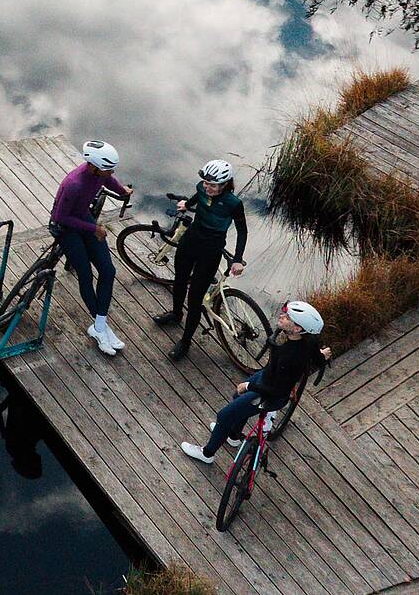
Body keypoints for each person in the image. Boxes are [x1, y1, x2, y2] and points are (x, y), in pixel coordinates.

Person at [180, 301, 330, 463]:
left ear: (297, 329)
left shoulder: (290, 357)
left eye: (287, 317)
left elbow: (276, 391)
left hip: (270, 393)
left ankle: (207, 454)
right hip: (268, 376)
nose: (281, 316)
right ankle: (232, 436)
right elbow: (316, 357)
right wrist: (322, 357)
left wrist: (249, 386)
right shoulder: (308, 340)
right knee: (237, 398)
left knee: (224, 416)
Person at [152, 159, 248, 361]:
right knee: (179, 280)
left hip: (211, 249)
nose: (207, 187)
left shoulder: (233, 203)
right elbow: (198, 195)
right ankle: (176, 314)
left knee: (195, 298)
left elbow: (242, 231)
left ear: (225, 185)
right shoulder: (203, 187)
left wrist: (238, 259)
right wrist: (187, 204)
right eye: (205, 182)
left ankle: (185, 341)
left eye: (212, 185)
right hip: (191, 240)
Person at [51, 140, 133, 355]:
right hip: (66, 227)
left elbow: (109, 181)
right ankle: (102, 328)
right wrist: (93, 228)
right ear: (95, 167)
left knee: (108, 270)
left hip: (83, 219)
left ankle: (99, 327)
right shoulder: (74, 184)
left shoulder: (99, 175)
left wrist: (122, 190)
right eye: (108, 169)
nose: (112, 172)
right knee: (86, 275)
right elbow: (60, 217)